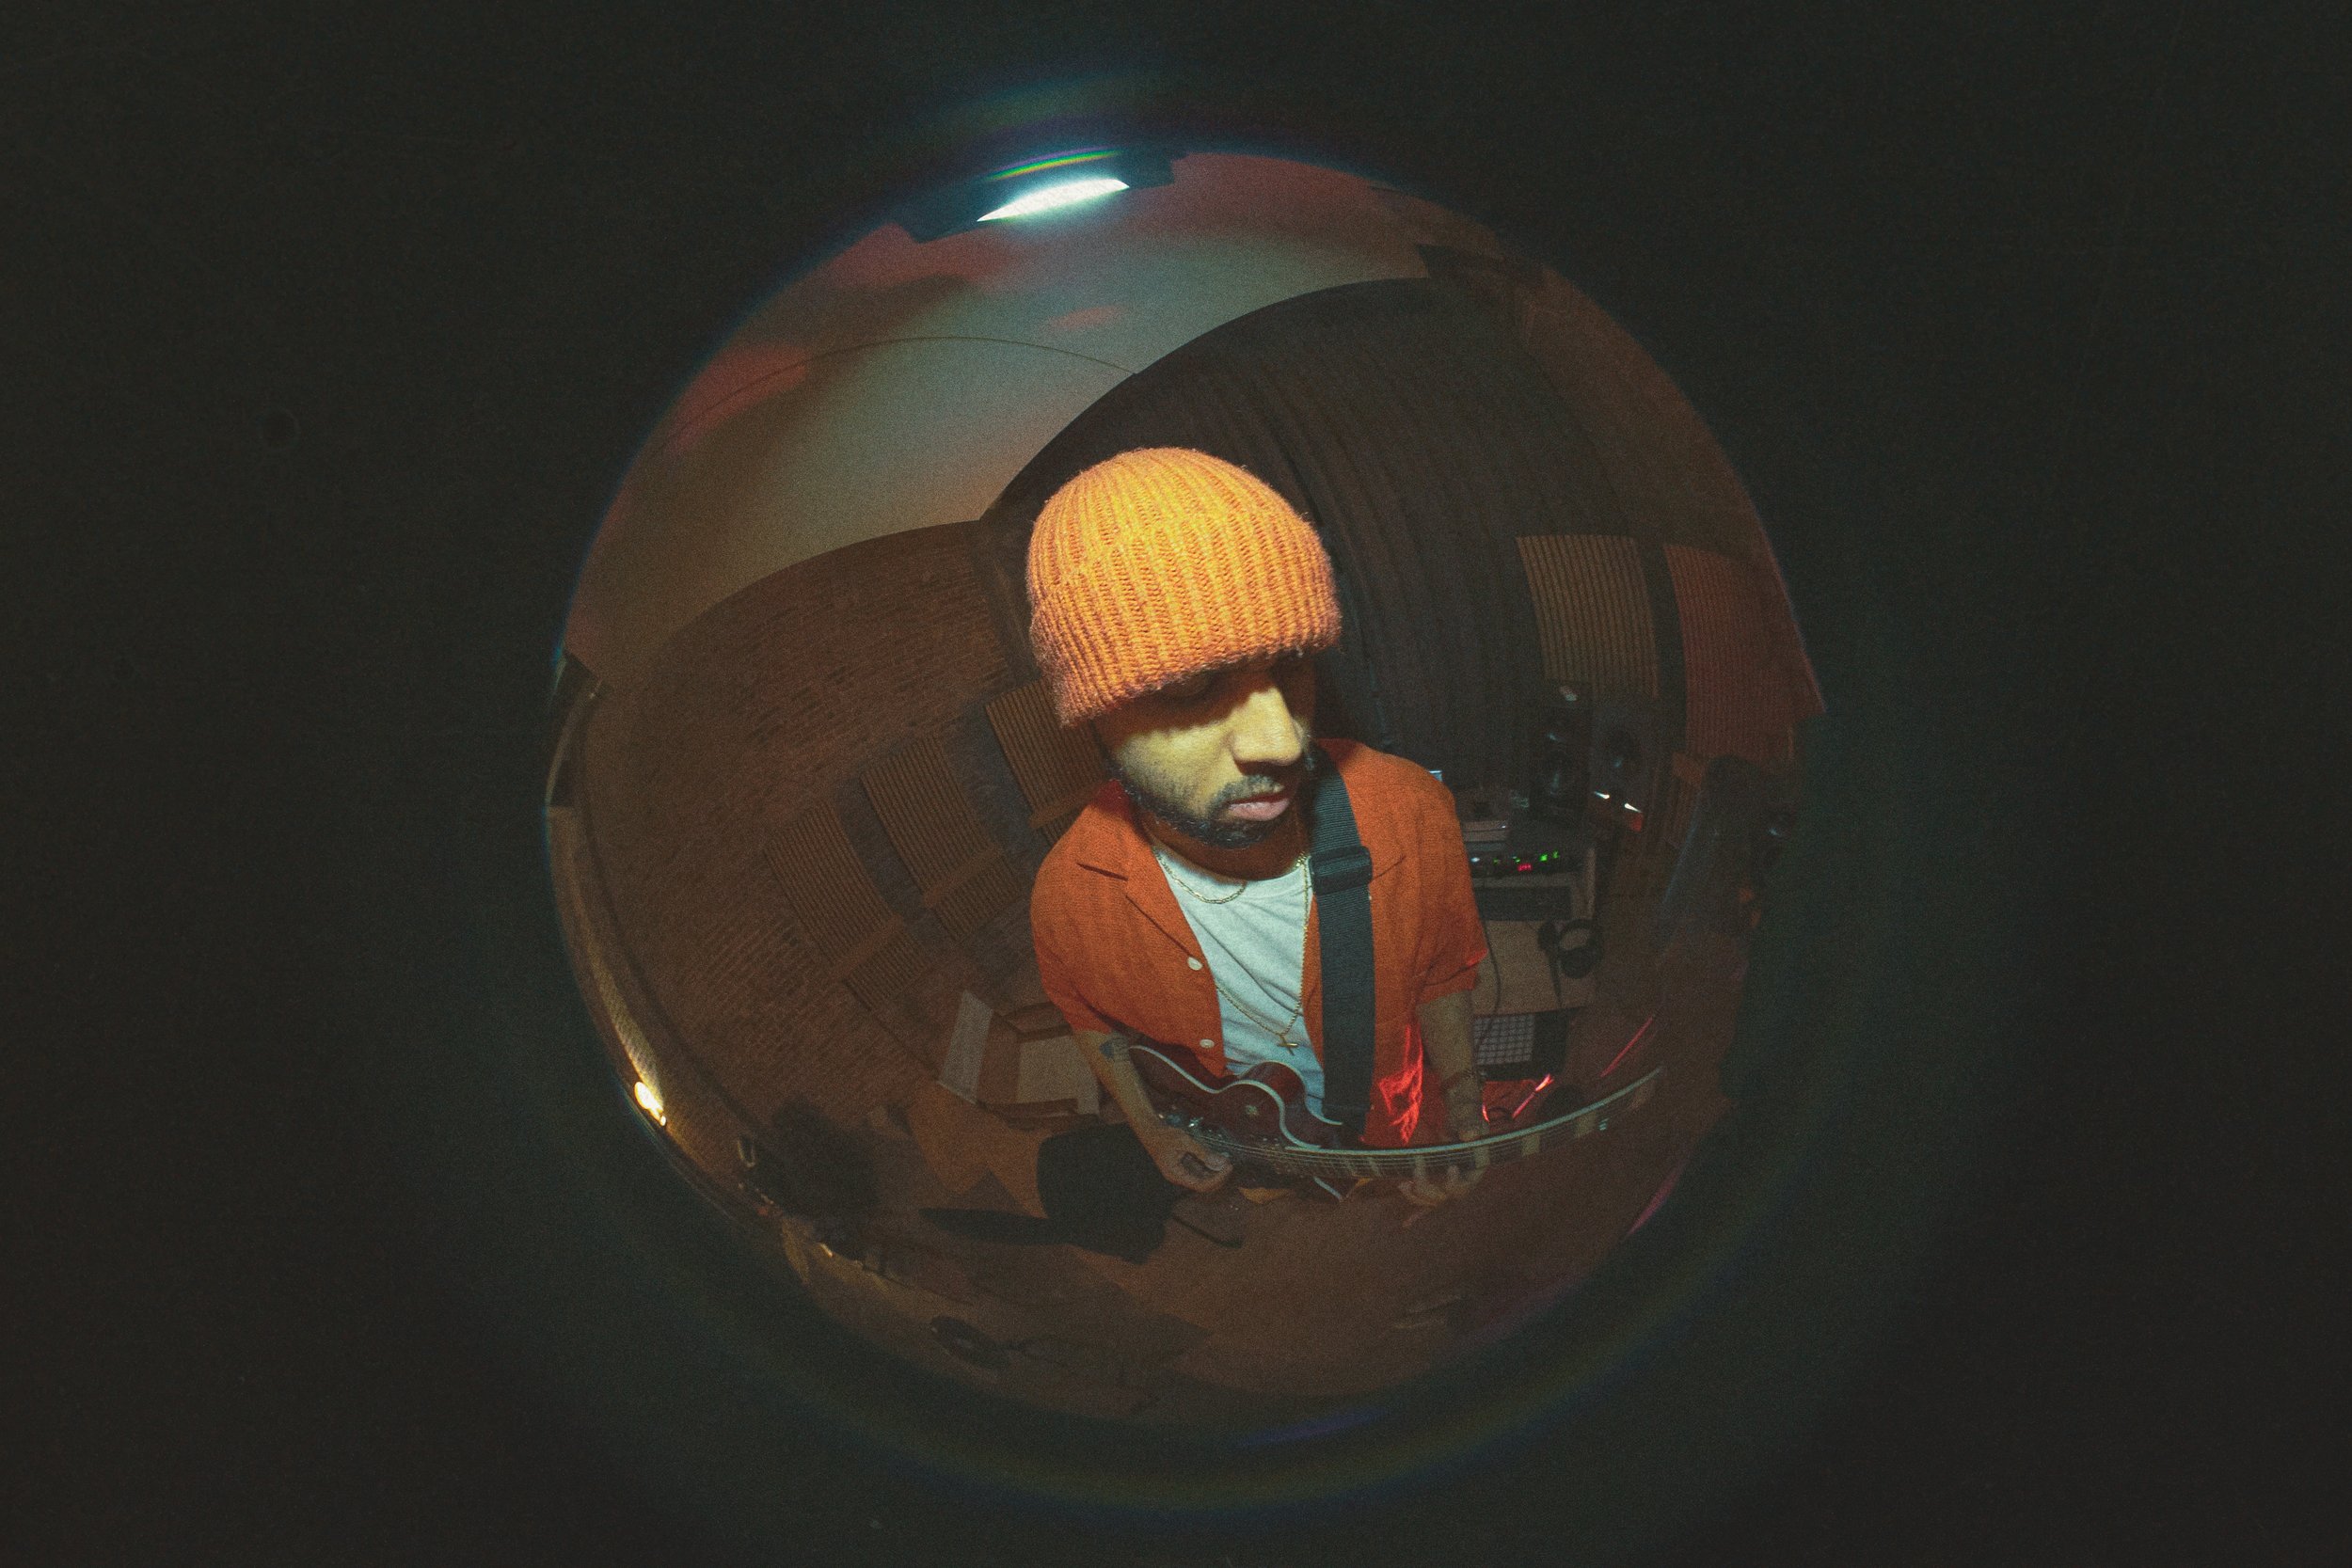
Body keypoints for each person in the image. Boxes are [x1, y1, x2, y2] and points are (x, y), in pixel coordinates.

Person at [1024, 447, 1490, 1211]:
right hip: (1256, 1148)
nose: (1281, 741)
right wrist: (1151, 1129)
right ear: (1095, 717)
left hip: (1388, 1125)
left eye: (1292, 664)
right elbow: (1088, 1019)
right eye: (1193, 686)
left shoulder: (1407, 811)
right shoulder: (1070, 900)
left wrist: (1464, 1104)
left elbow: (1445, 972)